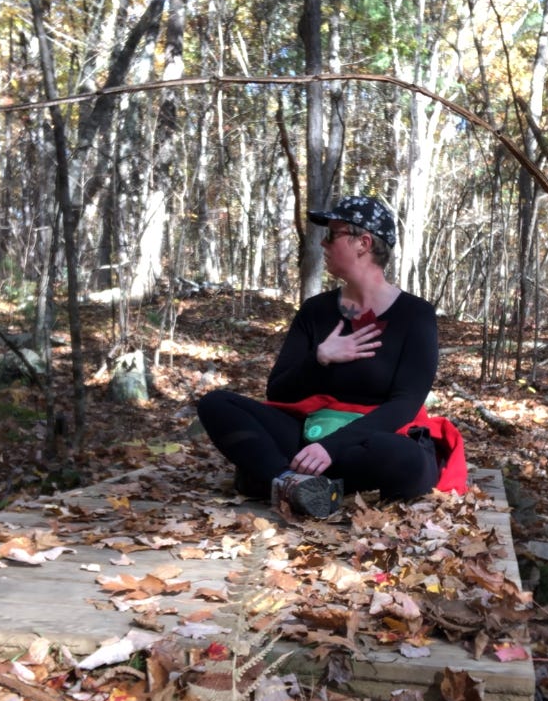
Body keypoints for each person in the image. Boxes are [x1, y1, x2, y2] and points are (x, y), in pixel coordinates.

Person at [197, 195, 467, 517]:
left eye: (333, 234)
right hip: (311, 431)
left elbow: (405, 405)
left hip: (372, 440)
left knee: (403, 459)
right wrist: (321, 358)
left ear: (363, 243)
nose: (323, 244)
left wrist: (330, 447)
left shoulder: (415, 315)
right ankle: (290, 482)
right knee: (216, 403)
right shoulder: (315, 311)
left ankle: (273, 473)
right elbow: (278, 391)